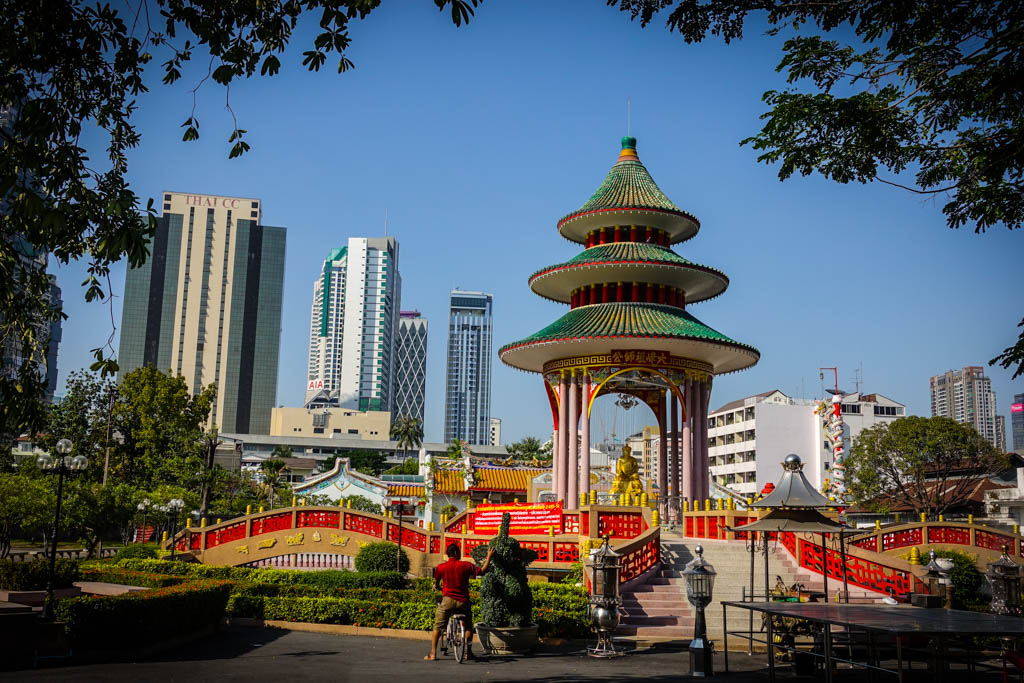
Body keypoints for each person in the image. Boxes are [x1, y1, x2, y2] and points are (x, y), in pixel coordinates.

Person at [425, 542, 494, 661]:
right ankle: (468, 653)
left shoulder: (441, 567)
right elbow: (482, 571)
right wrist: (489, 556)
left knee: (438, 626)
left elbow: (436, 582)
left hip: (448, 601)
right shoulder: (465, 565)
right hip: (463, 601)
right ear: (456, 553)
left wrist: (436, 586)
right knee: (468, 626)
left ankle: (433, 653)